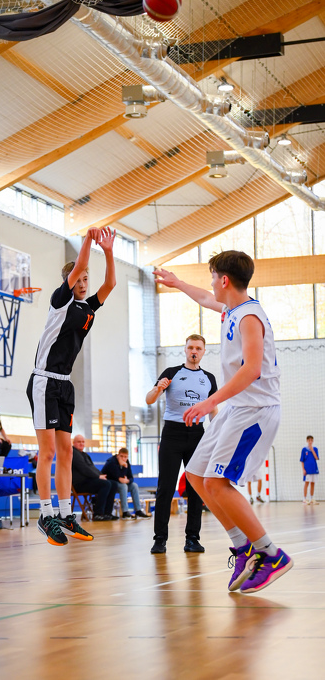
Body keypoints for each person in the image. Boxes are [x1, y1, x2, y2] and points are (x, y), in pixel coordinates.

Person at [154, 250, 293, 594]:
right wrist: (177, 283)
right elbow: (204, 298)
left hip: (255, 410)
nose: (211, 283)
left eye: (213, 277)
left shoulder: (249, 317)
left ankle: (271, 554)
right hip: (237, 408)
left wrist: (210, 401)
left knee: (217, 483)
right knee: (196, 476)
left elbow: (252, 369)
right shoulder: (232, 308)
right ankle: (243, 547)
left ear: (225, 280)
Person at [27, 226, 116, 545]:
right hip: (44, 381)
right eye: (78, 279)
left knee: (66, 453)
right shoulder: (60, 302)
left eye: (85, 280)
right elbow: (78, 266)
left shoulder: (88, 307)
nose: (82, 283)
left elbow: (110, 284)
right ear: (68, 282)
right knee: (48, 451)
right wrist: (88, 240)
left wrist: (108, 251)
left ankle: (66, 514)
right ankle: (45, 515)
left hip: (65, 384)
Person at [146, 334, 218, 555]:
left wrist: (218, 434)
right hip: (172, 434)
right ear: (185, 350)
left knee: (196, 488)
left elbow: (213, 409)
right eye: (190, 347)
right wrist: (158, 388)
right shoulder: (171, 373)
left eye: (198, 348)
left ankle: (192, 539)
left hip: (197, 435)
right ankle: (160, 539)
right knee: (165, 487)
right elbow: (149, 399)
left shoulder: (209, 378)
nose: (194, 351)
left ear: (203, 351)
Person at [72, 435, 118, 521]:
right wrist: (98, 476)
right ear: (74, 443)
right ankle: (98, 514)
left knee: (113, 484)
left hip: (89, 481)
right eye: (79, 442)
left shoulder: (84, 455)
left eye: (83, 442)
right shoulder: (73, 453)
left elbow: (92, 468)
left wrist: (102, 475)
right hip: (80, 484)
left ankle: (107, 513)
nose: (81, 444)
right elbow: (84, 469)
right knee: (105, 484)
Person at [101, 448, 150, 519]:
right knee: (123, 486)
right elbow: (117, 476)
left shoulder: (126, 462)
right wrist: (124, 467)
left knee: (134, 486)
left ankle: (138, 510)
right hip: (111, 484)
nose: (123, 458)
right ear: (118, 455)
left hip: (120, 483)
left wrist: (128, 481)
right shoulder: (111, 462)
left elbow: (131, 477)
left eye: (125, 457)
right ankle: (125, 511)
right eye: (121, 456)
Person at [301, 435, 319, 505]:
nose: (310, 442)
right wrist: (303, 469)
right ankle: (304, 499)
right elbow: (302, 460)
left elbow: (316, 458)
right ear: (307, 441)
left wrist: (312, 450)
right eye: (309, 440)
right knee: (306, 483)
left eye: (311, 440)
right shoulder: (304, 449)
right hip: (307, 470)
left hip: (314, 469)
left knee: (313, 483)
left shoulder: (315, 449)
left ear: (313, 441)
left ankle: (311, 498)